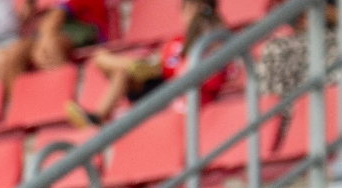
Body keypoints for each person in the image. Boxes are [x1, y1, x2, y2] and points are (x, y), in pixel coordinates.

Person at [68, 0, 225, 126]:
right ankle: (99, 115)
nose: (190, 16)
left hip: (166, 88)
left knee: (121, 70)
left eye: (195, 10)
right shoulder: (176, 41)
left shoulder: (214, 41)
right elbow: (161, 59)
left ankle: (100, 116)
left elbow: (207, 75)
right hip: (154, 78)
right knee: (100, 56)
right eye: (187, 10)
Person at [23, 0, 108, 71]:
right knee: (19, 50)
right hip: (58, 30)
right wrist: (43, 40)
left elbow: (58, 14)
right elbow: (56, 15)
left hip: (94, 37)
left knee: (53, 45)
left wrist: (44, 40)